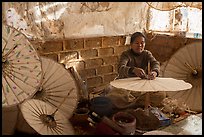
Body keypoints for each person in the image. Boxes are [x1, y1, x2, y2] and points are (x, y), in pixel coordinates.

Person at [106, 32, 166, 109]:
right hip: (126, 85)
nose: (140, 45)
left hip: (142, 86)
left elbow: (155, 63)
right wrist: (133, 70)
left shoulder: (147, 54)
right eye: (137, 43)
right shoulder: (126, 54)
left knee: (161, 94)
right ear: (131, 44)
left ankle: (133, 103)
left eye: (142, 43)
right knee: (113, 96)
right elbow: (120, 68)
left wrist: (154, 72)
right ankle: (139, 103)